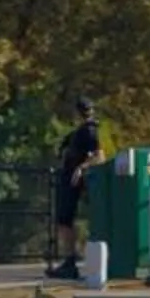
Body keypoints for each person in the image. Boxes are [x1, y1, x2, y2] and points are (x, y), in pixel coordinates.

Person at [49, 96, 104, 279]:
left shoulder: (89, 131)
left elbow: (99, 156)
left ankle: (71, 261)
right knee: (64, 220)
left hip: (74, 181)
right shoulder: (78, 131)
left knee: (65, 219)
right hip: (67, 178)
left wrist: (81, 168)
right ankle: (69, 260)